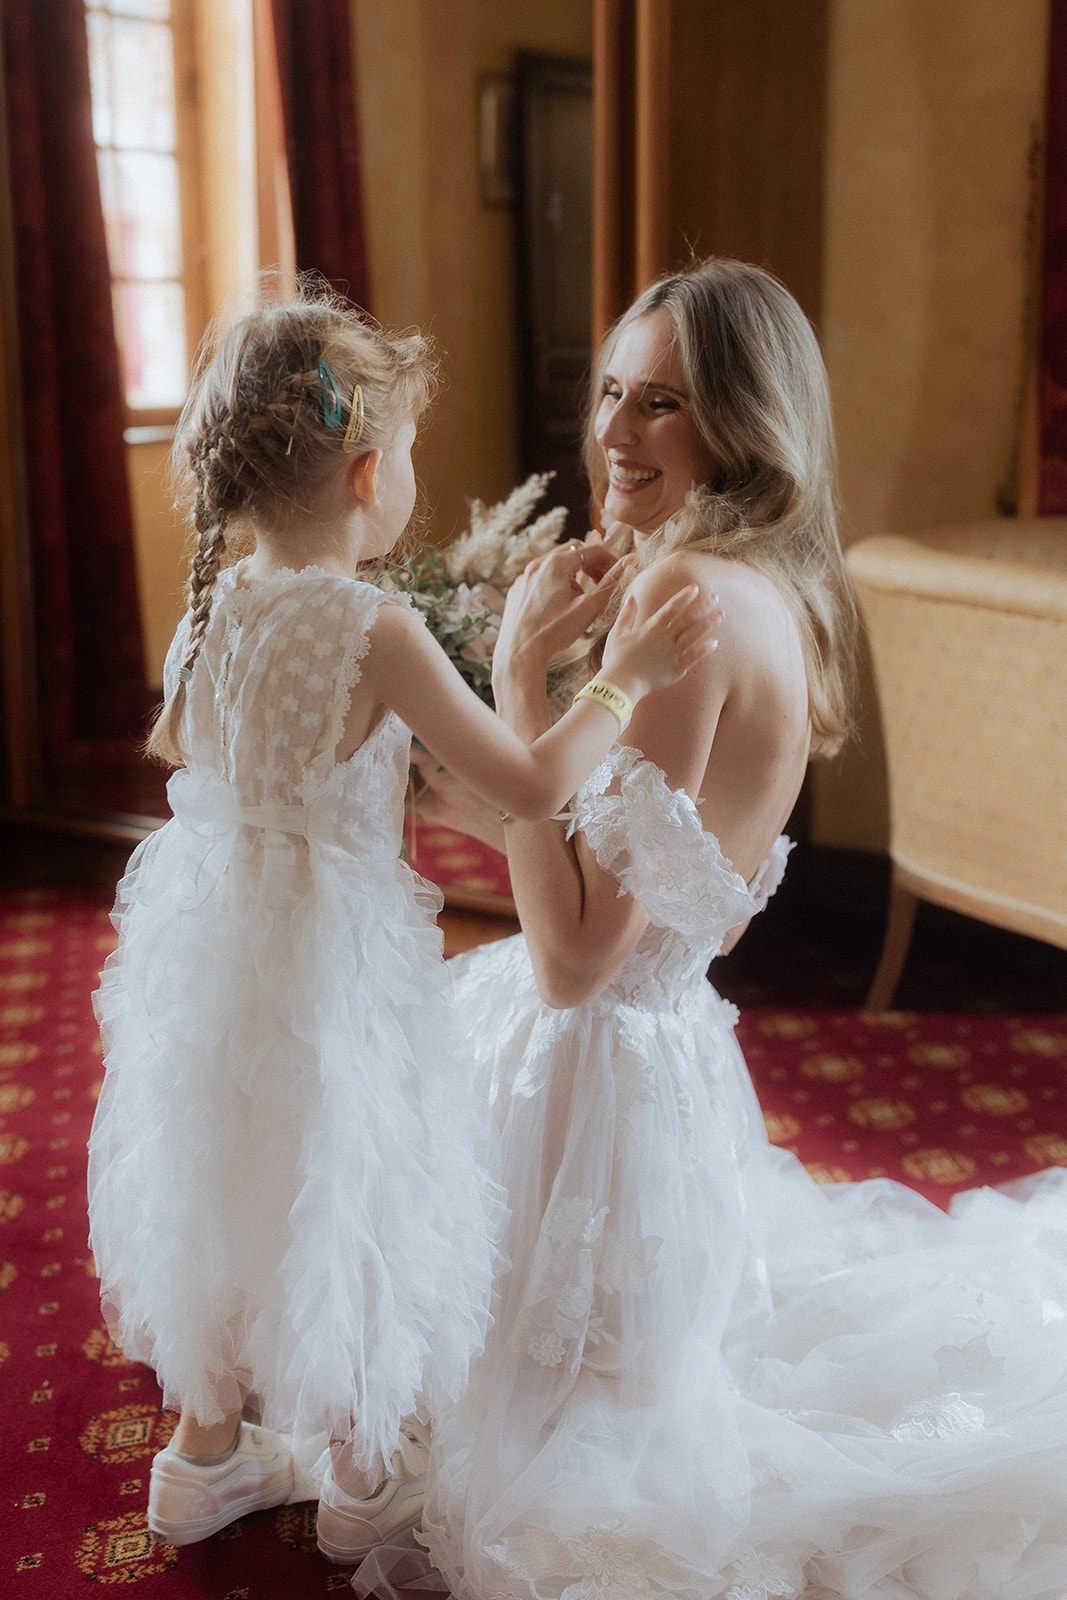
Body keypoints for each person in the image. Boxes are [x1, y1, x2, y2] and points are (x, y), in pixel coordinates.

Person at [356, 258, 1067, 1600]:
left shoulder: (677, 616)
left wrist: (515, 687)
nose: (614, 435)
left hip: (602, 1085)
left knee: (548, 1461)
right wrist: (506, 797)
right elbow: (640, 902)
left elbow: (571, 965)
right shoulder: (753, 590)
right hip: (662, 1058)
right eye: (611, 393)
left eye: (661, 405)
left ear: (740, 429)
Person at [86, 288, 718, 1561]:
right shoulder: (375, 626)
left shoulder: (207, 611)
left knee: (226, 1174)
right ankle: (365, 1477)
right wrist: (621, 678)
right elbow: (533, 783)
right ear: (369, 472)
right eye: (411, 454)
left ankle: (205, 1452)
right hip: (332, 970)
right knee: (353, 1182)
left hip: (208, 952)